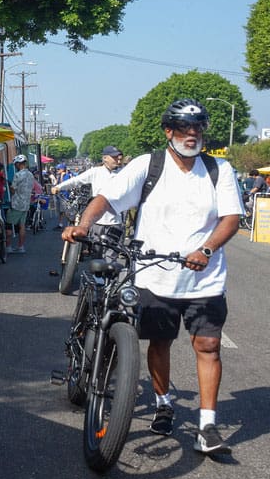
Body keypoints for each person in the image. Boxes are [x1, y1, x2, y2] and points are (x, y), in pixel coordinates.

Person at [62, 99, 243, 455]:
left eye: (198, 129)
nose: (192, 135)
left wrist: (205, 251)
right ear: (169, 132)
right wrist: (83, 225)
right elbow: (107, 199)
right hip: (154, 277)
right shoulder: (149, 166)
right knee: (160, 343)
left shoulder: (219, 169)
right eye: (184, 128)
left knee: (208, 345)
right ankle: (163, 402)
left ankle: (207, 426)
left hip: (204, 279)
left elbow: (231, 218)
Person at [52, 145, 125, 242]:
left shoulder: (124, 173)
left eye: (119, 158)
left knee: (112, 253)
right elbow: (76, 181)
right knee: (96, 250)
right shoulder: (95, 172)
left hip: (116, 222)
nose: (118, 160)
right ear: (105, 158)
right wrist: (59, 187)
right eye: (114, 157)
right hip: (97, 221)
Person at [6, 155, 34, 253]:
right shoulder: (31, 175)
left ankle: (8, 247)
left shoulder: (17, 175)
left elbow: (13, 189)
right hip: (26, 204)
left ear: (18, 164)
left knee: (9, 224)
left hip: (16, 204)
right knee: (22, 226)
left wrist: (9, 187)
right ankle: (21, 247)